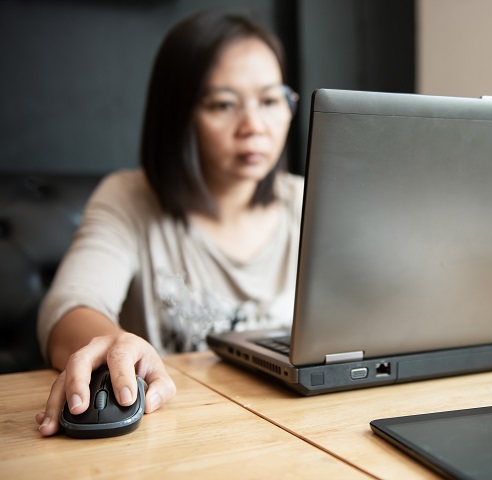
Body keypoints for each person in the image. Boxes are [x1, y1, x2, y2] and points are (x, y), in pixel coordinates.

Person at [35, 10, 302, 436]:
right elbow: (69, 306)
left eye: (271, 101)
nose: (254, 127)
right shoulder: (128, 198)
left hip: (299, 426)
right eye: (223, 104)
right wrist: (111, 343)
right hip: (177, 435)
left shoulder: (309, 201)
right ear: (178, 114)